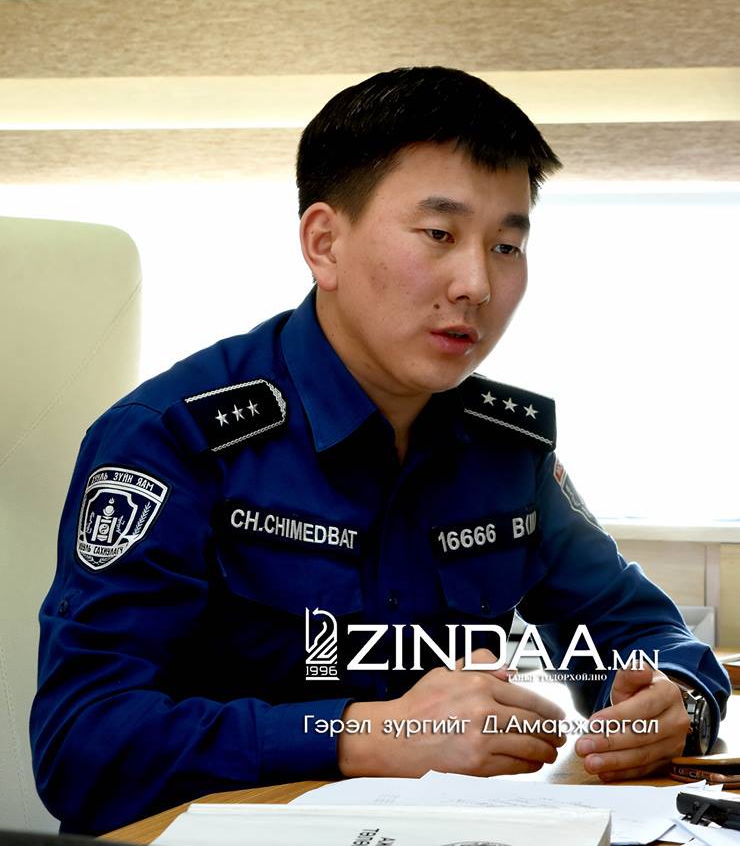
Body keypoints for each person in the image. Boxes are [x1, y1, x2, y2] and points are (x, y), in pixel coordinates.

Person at [31, 66, 730, 835]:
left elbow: (639, 630)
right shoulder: (172, 438)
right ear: (324, 243)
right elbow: (82, 745)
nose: (477, 284)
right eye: (439, 235)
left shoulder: (504, 447)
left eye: (506, 245)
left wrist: (671, 699)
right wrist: (368, 733)